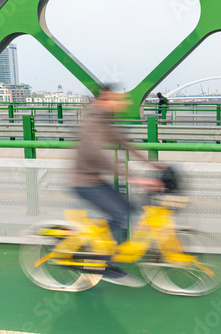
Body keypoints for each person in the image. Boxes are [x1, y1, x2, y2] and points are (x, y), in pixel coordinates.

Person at [72, 85, 164, 287]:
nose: (122, 104)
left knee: (129, 208)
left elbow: (123, 142)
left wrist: (150, 163)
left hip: (94, 180)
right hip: (83, 182)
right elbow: (98, 155)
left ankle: (104, 248)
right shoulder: (91, 122)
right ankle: (103, 265)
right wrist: (135, 178)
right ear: (105, 98)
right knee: (119, 214)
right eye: (118, 99)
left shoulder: (102, 119)